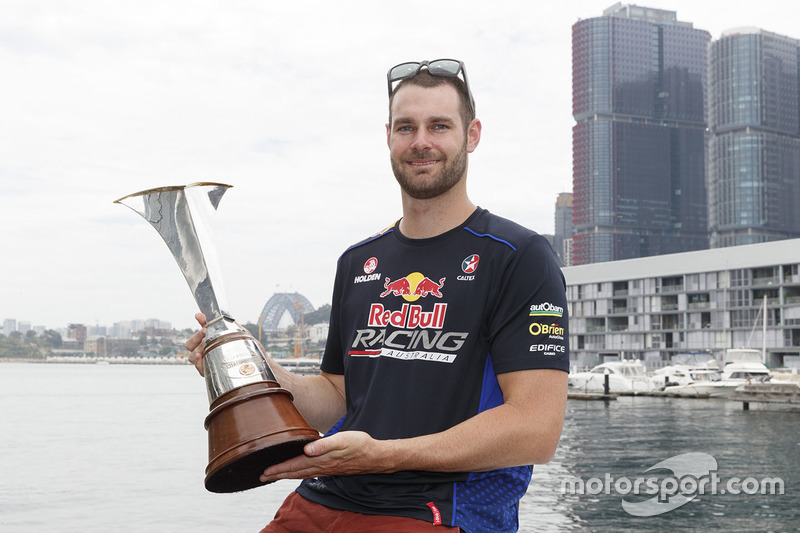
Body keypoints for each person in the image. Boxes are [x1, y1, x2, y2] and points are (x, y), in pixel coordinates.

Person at [186, 58, 570, 533]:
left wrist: (385, 457)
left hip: (436, 509)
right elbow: (334, 397)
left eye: (439, 126)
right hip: (324, 492)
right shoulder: (358, 261)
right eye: (406, 127)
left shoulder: (517, 256)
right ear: (388, 136)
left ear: (471, 136)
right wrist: (253, 365)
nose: (421, 141)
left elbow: (536, 429)